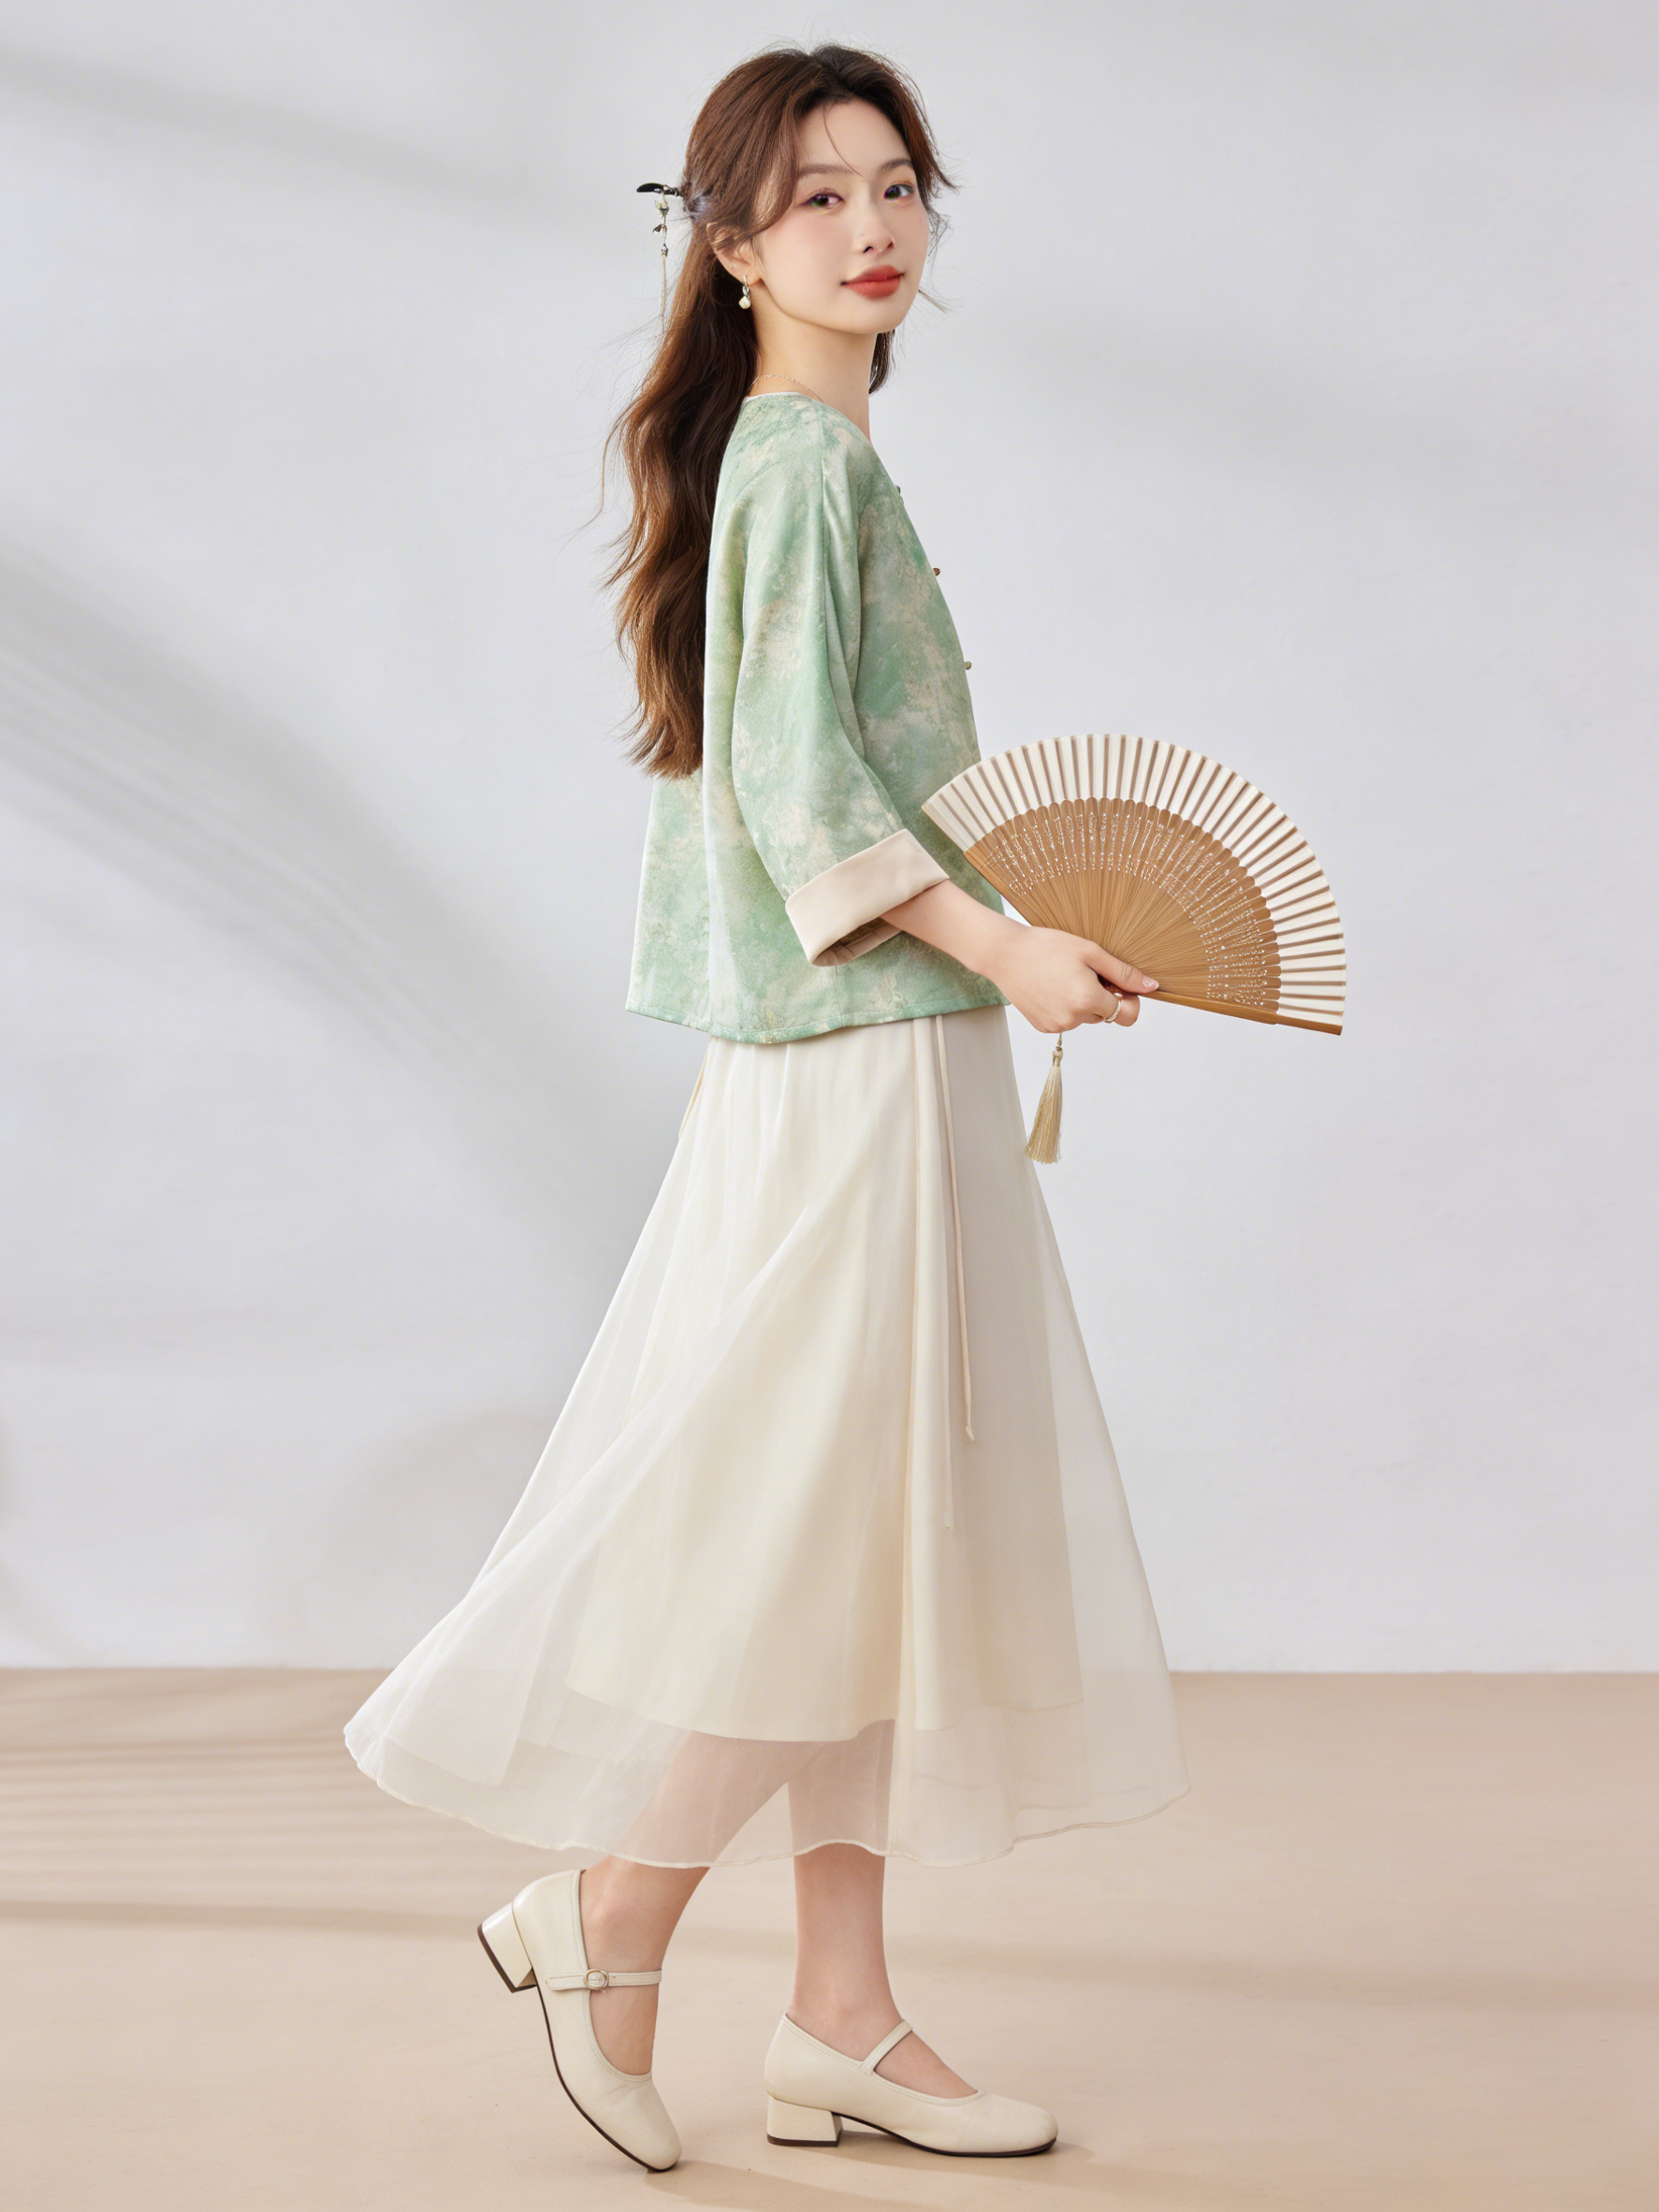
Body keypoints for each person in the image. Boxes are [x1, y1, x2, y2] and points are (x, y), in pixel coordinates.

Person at [344, 40, 1188, 2174]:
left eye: (895, 185)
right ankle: (614, 1913)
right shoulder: (800, 469)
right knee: (828, 1534)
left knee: (864, 1540)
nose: (871, 226)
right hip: (859, 1063)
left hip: (876, 1046)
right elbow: (807, 798)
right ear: (727, 245)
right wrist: (1010, 946)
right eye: (816, 196)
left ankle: (841, 2014)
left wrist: (1004, 955)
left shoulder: (811, 456)